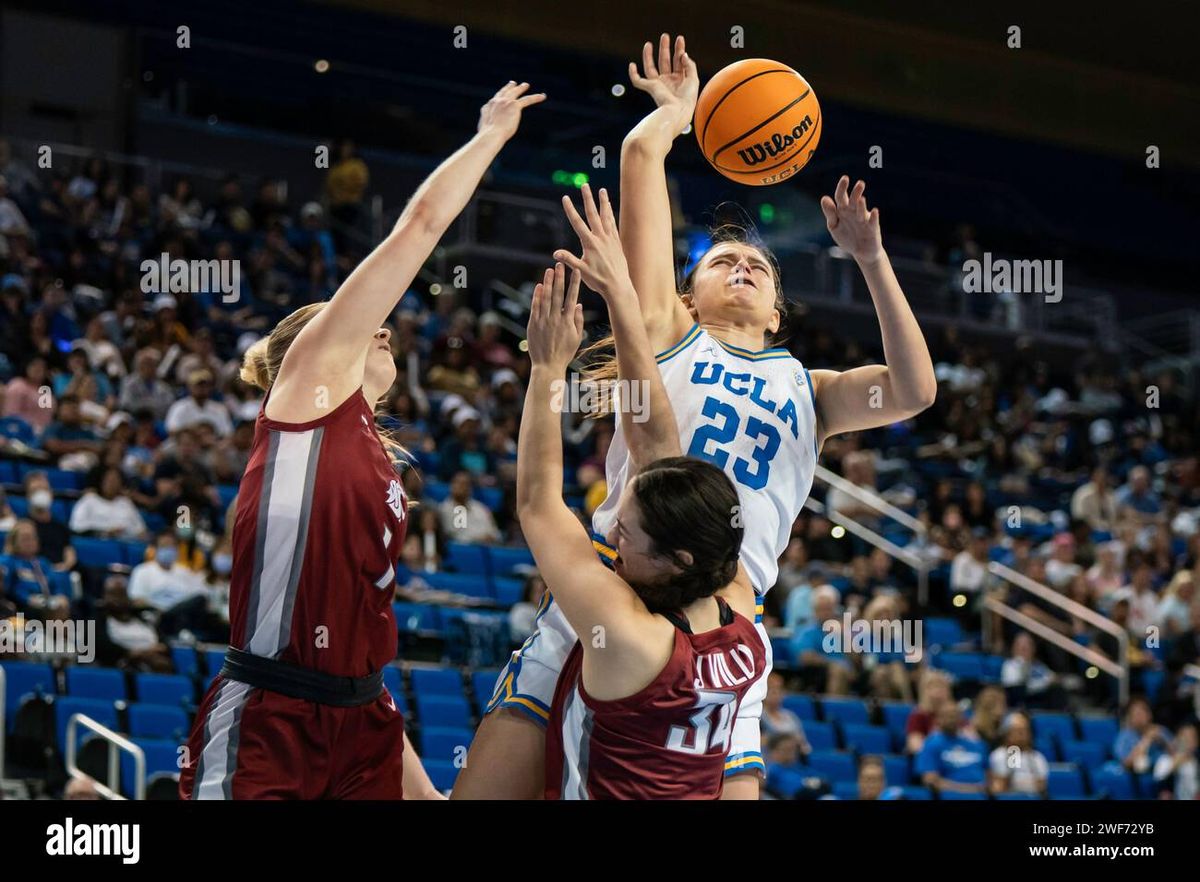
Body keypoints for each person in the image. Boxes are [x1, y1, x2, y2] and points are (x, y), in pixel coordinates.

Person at [465, 34, 936, 800]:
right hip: (618, 582)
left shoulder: (810, 387)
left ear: (778, 309)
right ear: (688, 296)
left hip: (725, 625)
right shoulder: (663, 331)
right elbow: (638, 162)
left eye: (757, 266)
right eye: (721, 261)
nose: (743, 264)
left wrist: (873, 261)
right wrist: (674, 116)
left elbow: (914, 390)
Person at [178, 80, 543, 800]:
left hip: (363, 714)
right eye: (356, 321)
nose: (383, 325)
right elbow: (418, 228)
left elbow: (364, 645)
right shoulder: (310, 392)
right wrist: (491, 137)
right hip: (273, 710)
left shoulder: (376, 452)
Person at [506, 214, 762, 798]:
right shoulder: (742, 620)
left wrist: (547, 368)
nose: (612, 541)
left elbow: (540, 501)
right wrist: (623, 294)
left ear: (674, 559)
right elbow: (659, 455)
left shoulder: (624, 633)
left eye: (624, 534)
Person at [915, 701, 988, 796]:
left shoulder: (977, 744)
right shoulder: (931, 744)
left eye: (955, 715)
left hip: (980, 796)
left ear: (962, 718)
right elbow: (931, 780)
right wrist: (968, 790)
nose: (951, 719)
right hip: (950, 796)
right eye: (947, 715)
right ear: (938, 719)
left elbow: (989, 776)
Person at [68, 466, 148, 539]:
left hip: (126, 542)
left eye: (115, 480)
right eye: (108, 480)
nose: (111, 484)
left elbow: (141, 530)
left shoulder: (125, 503)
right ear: (101, 481)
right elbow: (76, 527)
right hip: (98, 543)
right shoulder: (89, 500)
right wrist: (104, 532)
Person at [988, 711, 1048, 796]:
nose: (1022, 734)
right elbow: (998, 789)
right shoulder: (999, 755)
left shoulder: (1037, 758)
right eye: (1018, 730)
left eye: (1025, 730)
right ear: (1007, 733)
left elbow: (1042, 788)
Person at [1153, 723, 1198, 800]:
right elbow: (1159, 780)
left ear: (1196, 742)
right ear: (1177, 739)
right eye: (1184, 737)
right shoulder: (1166, 759)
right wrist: (1178, 759)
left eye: (1191, 737)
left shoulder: (1197, 760)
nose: (1188, 740)